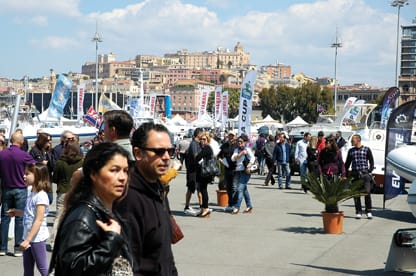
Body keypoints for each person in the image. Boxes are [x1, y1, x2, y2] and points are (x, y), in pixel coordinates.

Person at [49, 143, 132, 275]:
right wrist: (110, 241)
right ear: (93, 174)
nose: (122, 177)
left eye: (125, 170)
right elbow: (72, 268)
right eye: (114, 170)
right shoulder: (83, 217)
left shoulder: (109, 211)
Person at [116, 122, 178, 275]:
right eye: (158, 151)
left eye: (170, 151)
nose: (166, 157)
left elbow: (164, 251)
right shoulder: (128, 197)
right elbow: (129, 262)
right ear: (138, 153)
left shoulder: (158, 188)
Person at [8, 164, 50, 276]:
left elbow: (39, 220)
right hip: (28, 237)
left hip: (37, 238)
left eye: (27, 174)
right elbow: (30, 214)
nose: (24, 176)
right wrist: (17, 212)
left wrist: (28, 240)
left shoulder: (41, 196)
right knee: (27, 269)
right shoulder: (31, 191)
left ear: (38, 176)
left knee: (43, 269)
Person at [0, 132, 36, 256]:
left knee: (5, 219)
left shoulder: (2, 154)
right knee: (20, 219)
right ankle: (17, 247)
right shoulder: (23, 155)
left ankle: (2, 247)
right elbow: (35, 165)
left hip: (6, 188)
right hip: (20, 188)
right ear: (21, 142)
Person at [49, 143, 84, 250]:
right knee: (76, 217)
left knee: (59, 217)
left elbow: (55, 178)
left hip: (63, 191)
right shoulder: (82, 162)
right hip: (77, 192)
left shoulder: (60, 162)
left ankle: (54, 241)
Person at [345, 134, 375, 219]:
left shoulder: (366, 149)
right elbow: (347, 163)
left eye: (353, 140)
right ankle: (358, 211)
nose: (351, 142)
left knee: (367, 192)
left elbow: (371, 161)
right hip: (355, 174)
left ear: (358, 140)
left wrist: (370, 170)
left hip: (365, 174)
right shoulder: (351, 151)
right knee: (356, 194)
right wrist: (344, 174)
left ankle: (368, 211)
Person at [230, 133, 255, 215]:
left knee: (240, 188)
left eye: (241, 141)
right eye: (238, 141)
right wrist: (241, 154)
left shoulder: (247, 149)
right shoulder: (237, 150)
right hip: (238, 170)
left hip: (245, 171)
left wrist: (249, 165)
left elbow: (253, 158)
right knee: (244, 190)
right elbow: (233, 159)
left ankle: (236, 207)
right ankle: (249, 206)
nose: (239, 143)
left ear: (245, 142)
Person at [184, 128, 203, 216]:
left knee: (200, 188)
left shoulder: (199, 143)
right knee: (191, 188)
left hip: (197, 170)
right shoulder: (194, 144)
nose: (203, 136)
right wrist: (203, 158)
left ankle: (201, 206)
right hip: (192, 170)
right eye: (202, 134)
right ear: (198, 134)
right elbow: (196, 155)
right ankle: (187, 206)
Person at [195, 132, 214, 218]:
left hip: (205, 172)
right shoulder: (204, 148)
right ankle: (203, 208)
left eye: (204, 139)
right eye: (201, 139)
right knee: (201, 189)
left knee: (203, 190)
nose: (202, 141)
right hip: (202, 172)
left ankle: (206, 208)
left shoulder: (207, 148)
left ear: (207, 140)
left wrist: (197, 157)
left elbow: (198, 157)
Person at [217, 130, 238, 210]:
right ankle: (230, 204)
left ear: (235, 136)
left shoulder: (237, 145)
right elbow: (219, 155)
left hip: (235, 168)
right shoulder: (224, 145)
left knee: (234, 187)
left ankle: (235, 204)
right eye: (230, 135)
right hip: (227, 168)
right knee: (228, 187)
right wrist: (220, 160)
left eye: (232, 136)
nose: (231, 137)